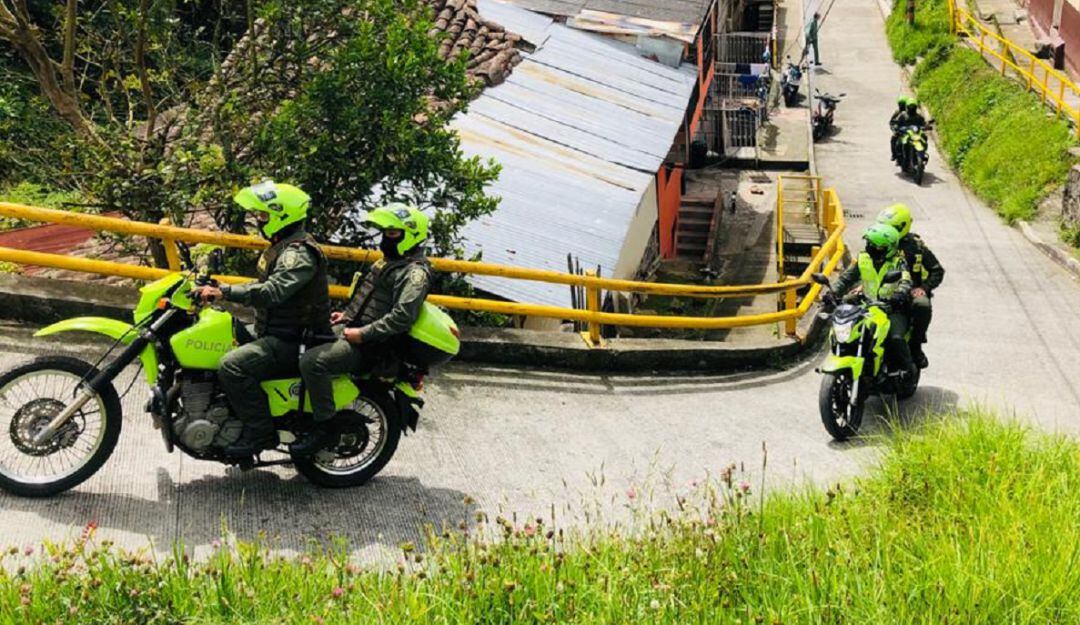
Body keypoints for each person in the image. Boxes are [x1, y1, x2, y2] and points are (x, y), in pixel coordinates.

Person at [195, 180, 331, 456]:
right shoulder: (282, 246)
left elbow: (273, 291)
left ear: (284, 214)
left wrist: (225, 292)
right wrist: (220, 288)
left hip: (292, 339)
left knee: (232, 366)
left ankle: (260, 433)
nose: (259, 221)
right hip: (272, 329)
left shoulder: (299, 254)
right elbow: (263, 283)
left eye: (264, 215)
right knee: (222, 335)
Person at [293, 203, 433, 456]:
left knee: (313, 363)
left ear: (409, 234)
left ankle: (324, 428)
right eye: (385, 232)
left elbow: (401, 317)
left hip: (374, 346)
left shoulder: (414, 274)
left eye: (392, 233)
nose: (385, 238)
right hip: (354, 330)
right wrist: (347, 315)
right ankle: (295, 420)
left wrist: (362, 333)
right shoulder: (390, 262)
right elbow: (373, 300)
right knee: (296, 341)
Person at [830, 223, 917, 377]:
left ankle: (907, 369)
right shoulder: (863, 258)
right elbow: (845, 279)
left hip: (892, 308)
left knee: (896, 337)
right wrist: (832, 292)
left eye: (876, 246)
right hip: (867, 307)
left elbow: (906, 280)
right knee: (846, 330)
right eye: (869, 244)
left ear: (889, 248)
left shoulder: (898, 262)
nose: (871, 248)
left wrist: (900, 293)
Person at [877, 204, 944, 369]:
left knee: (922, 305)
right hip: (880, 292)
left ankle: (916, 346)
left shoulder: (917, 247)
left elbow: (937, 271)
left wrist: (924, 288)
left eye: (889, 228)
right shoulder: (876, 242)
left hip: (908, 292)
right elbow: (862, 268)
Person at [889, 96, 910, 161]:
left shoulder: (911, 111)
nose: (902, 106)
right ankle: (894, 155)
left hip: (909, 130)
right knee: (893, 138)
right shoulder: (897, 112)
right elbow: (891, 122)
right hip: (900, 131)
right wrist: (894, 128)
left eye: (903, 104)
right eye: (900, 104)